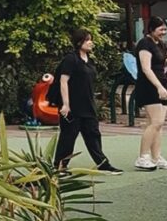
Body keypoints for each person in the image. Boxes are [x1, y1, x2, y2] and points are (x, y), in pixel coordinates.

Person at [52, 28, 123, 174]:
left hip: (88, 105)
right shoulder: (71, 59)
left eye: (91, 40)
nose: (91, 43)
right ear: (79, 42)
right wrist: (65, 104)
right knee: (68, 136)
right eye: (87, 40)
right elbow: (63, 81)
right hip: (73, 106)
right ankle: (60, 166)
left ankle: (103, 163)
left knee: (93, 134)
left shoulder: (89, 61)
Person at [133, 16, 167, 171]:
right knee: (155, 122)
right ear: (151, 29)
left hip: (161, 83)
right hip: (149, 86)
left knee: (159, 124)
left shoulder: (160, 44)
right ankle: (143, 156)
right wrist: (159, 87)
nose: (163, 32)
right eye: (160, 29)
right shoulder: (144, 43)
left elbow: (157, 64)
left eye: (165, 29)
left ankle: (156, 157)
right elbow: (146, 68)